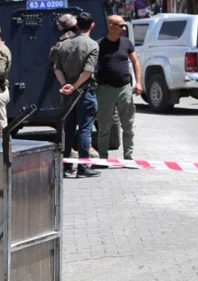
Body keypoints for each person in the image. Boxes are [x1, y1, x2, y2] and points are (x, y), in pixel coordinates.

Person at [54, 12, 100, 178]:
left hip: (67, 94)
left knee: (67, 129)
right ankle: (83, 167)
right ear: (92, 25)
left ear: (78, 25)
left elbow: (56, 68)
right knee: (85, 130)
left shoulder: (64, 44)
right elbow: (88, 71)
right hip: (84, 93)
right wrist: (74, 86)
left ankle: (65, 167)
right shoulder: (92, 45)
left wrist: (65, 85)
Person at [96, 14, 142, 161]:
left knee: (128, 124)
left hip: (124, 87)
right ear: (110, 26)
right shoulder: (99, 44)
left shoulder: (127, 43)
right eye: (120, 25)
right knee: (104, 125)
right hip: (105, 89)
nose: (123, 28)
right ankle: (103, 157)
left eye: (124, 25)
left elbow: (135, 63)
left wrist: (139, 83)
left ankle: (128, 156)